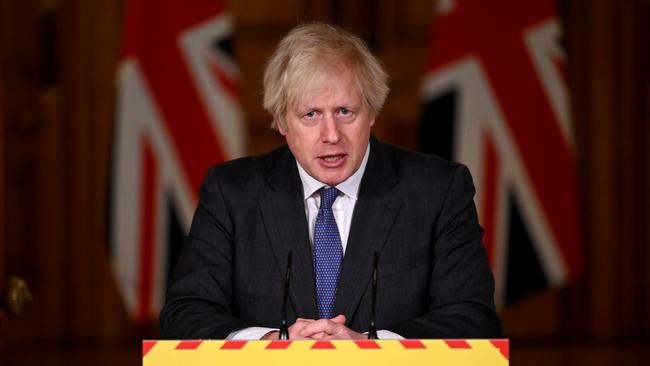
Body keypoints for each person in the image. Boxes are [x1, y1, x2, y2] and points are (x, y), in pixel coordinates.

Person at [160, 22, 500, 340]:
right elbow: (185, 315)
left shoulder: (438, 190)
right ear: (281, 121)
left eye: (344, 112)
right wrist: (271, 342)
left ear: (372, 112)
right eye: (311, 115)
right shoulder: (231, 193)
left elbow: (473, 319)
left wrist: (371, 346)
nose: (331, 135)